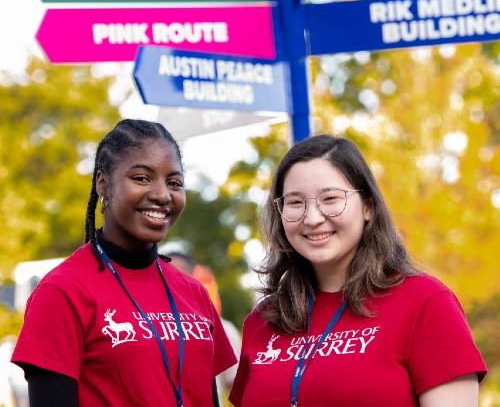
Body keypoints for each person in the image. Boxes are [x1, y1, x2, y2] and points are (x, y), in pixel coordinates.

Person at [229, 134, 487, 407]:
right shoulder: (263, 319)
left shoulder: (425, 302)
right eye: (295, 202)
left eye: (330, 198)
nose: (313, 218)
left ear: (368, 206)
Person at [11, 119, 236, 406]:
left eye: (174, 182)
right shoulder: (62, 290)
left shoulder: (193, 293)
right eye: (142, 178)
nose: (162, 194)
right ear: (103, 183)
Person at [167, 252, 242, 403]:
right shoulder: (144, 326)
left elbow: (237, 387)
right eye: (166, 274)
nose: (171, 281)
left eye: (180, 273)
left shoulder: (222, 327)